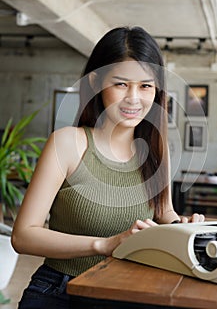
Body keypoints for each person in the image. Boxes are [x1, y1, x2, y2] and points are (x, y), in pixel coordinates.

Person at [11, 26, 205, 309]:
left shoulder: (156, 151)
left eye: (145, 86)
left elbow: (165, 214)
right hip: (61, 292)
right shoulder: (67, 144)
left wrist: (184, 228)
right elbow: (23, 235)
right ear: (95, 83)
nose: (134, 98)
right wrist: (102, 245)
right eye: (121, 84)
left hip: (131, 290)